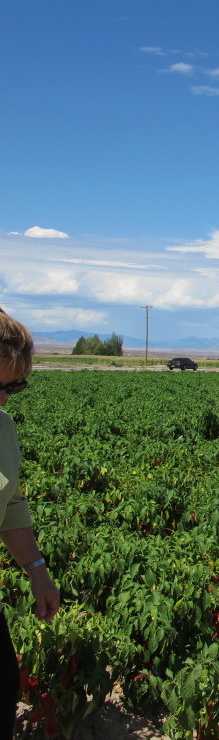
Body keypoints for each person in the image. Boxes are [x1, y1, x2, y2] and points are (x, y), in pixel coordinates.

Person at [0, 309, 60, 739]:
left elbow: (11, 505)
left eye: (13, 387)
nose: (3, 399)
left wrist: (37, 570)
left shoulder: (2, 429)